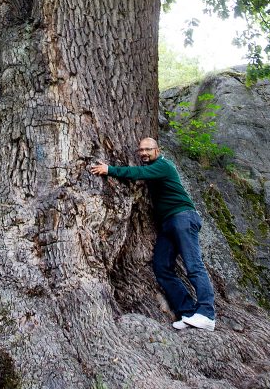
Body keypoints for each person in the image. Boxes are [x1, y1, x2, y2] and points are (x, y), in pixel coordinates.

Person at [90, 137, 216, 331]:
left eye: (148, 149)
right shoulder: (155, 168)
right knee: (162, 267)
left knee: (194, 265)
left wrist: (110, 170)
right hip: (169, 223)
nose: (144, 153)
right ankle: (188, 312)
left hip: (183, 217)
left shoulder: (163, 165)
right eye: (140, 150)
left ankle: (207, 314)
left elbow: (139, 173)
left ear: (158, 150)